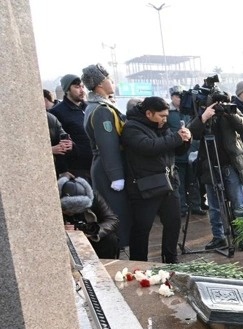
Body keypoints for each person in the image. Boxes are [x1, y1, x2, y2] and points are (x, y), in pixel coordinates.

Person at [121, 97, 191, 264]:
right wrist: (176, 138)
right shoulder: (132, 127)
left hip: (169, 182)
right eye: (161, 116)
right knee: (142, 228)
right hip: (146, 186)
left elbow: (174, 150)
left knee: (173, 223)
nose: (164, 119)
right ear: (148, 113)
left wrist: (185, 140)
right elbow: (149, 147)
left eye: (166, 116)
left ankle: (170, 259)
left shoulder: (162, 126)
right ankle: (138, 264)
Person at [187, 89, 243, 251]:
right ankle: (219, 237)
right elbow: (191, 133)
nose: (220, 105)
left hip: (232, 164)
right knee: (214, 205)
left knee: (239, 204)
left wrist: (229, 114)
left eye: (222, 102)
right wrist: (204, 117)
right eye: (217, 102)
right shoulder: (204, 113)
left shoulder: (231, 109)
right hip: (209, 164)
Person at [82, 63, 131, 248]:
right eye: (109, 79)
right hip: (108, 168)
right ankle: (117, 250)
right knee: (116, 212)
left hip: (105, 166)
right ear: (100, 84)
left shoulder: (98, 105)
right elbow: (108, 145)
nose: (112, 82)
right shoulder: (101, 110)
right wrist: (117, 176)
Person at [59, 176, 119, 259]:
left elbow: (112, 219)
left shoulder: (94, 197)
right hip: (65, 242)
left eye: (77, 210)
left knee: (110, 238)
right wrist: (60, 230)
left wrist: (93, 230)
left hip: (91, 238)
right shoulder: (52, 203)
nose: (72, 213)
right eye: (68, 211)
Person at [168, 86, 205, 217]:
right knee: (180, 183)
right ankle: (182, 208)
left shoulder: (189, 111)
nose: (179, 99)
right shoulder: (168, 113)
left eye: (181, 96)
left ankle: (196, 205)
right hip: (177, 153)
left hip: (192, 152)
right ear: (172, 97)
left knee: (194, 182)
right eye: (177, 96)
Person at [50, 73, 92, 182]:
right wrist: (63, 170)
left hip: (96, 164)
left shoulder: (90, 108)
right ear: (67, 89)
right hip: (76, 170)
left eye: (82, 86)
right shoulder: (57, 112)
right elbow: (57, 143)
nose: (81, 90)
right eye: (77, 87)